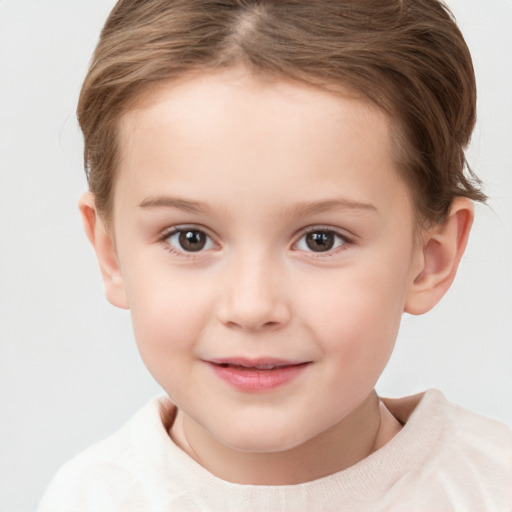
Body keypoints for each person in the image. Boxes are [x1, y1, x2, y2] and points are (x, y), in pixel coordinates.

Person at [37, 0, 511, 510]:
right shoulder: (86, 498)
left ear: (431, 258)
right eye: (190, 238)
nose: (252, 307)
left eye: (321, 239)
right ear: (111, 253)